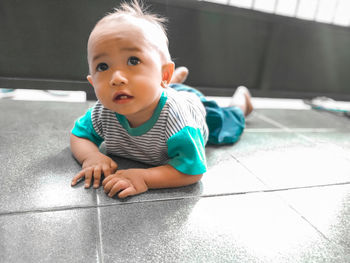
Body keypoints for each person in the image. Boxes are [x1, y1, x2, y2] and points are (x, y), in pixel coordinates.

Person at [70, 0, 253, 198]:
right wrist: (92, 156)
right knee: (150, 90)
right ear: (92, 82)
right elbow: (79, 135)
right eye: (103, 67)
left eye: (133, 61)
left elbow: (192, 170)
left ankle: (241, 100)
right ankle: (173, 81)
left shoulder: (179, 122)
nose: (116, 79)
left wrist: (145, 178)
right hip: (156, 89)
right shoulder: (104, 110)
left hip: (196, 107)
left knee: (228, 127)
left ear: (163, 74)